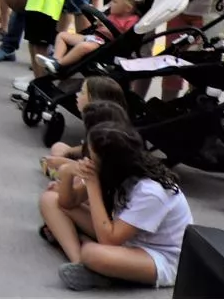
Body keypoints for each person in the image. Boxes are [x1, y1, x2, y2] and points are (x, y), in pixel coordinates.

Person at [39, 122, 192, 291]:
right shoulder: (116, 172)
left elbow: (109, 239)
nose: (86, 158)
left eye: (91, 155)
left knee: (94, 253)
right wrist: (67, 172)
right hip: (126, 238)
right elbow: (66, 203)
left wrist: (93, 185)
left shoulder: (151, 192)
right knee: (49, 200)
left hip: (159, 256)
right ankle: (80, 263)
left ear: (110, 163)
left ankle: (95, 262)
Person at [38, 0, 147, 74]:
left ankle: (60, 64)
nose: (110, 4)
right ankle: (55, 59)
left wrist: (107, 28)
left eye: (114, 2)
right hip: (94, 37)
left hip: (105, 43)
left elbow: (125, 37)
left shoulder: (132, 20)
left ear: (127, 8)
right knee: (62, 35)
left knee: (83, 47)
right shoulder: (113, 14)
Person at [41, 76, 128, 178]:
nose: (77, 95)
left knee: (61, 168)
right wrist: (69, 152)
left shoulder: (104, 131)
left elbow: (96, 169)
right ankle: (60, 172)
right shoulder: (97, 120)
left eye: (82, 92)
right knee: (58, 147)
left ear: (94, 99)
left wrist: (63, 161)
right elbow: (86, 149)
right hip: (89, 162)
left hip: (101, 175)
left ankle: (61, 175)